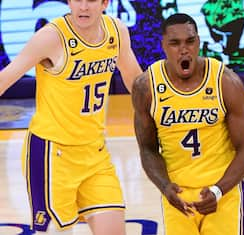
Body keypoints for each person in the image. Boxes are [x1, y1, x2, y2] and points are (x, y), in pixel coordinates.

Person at [0, 0, 142, 234]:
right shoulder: (50, 37)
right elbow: (5, 80)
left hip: (95, 153)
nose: (83, 7)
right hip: (51, 155)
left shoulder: (117, 31)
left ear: (105, 3)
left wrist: (162, 112)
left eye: (91, 0)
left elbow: (135, 81)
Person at [132, 13, 244, 235]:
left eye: (190, 41)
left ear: (198, 42)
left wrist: (219, 190)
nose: (184, 49)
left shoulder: (225, 82)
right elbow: (148, 149)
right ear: (163, 45)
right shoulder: (146, 87)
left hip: (222, 193)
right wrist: (165, 186)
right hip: (177, 197)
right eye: (174, 43)